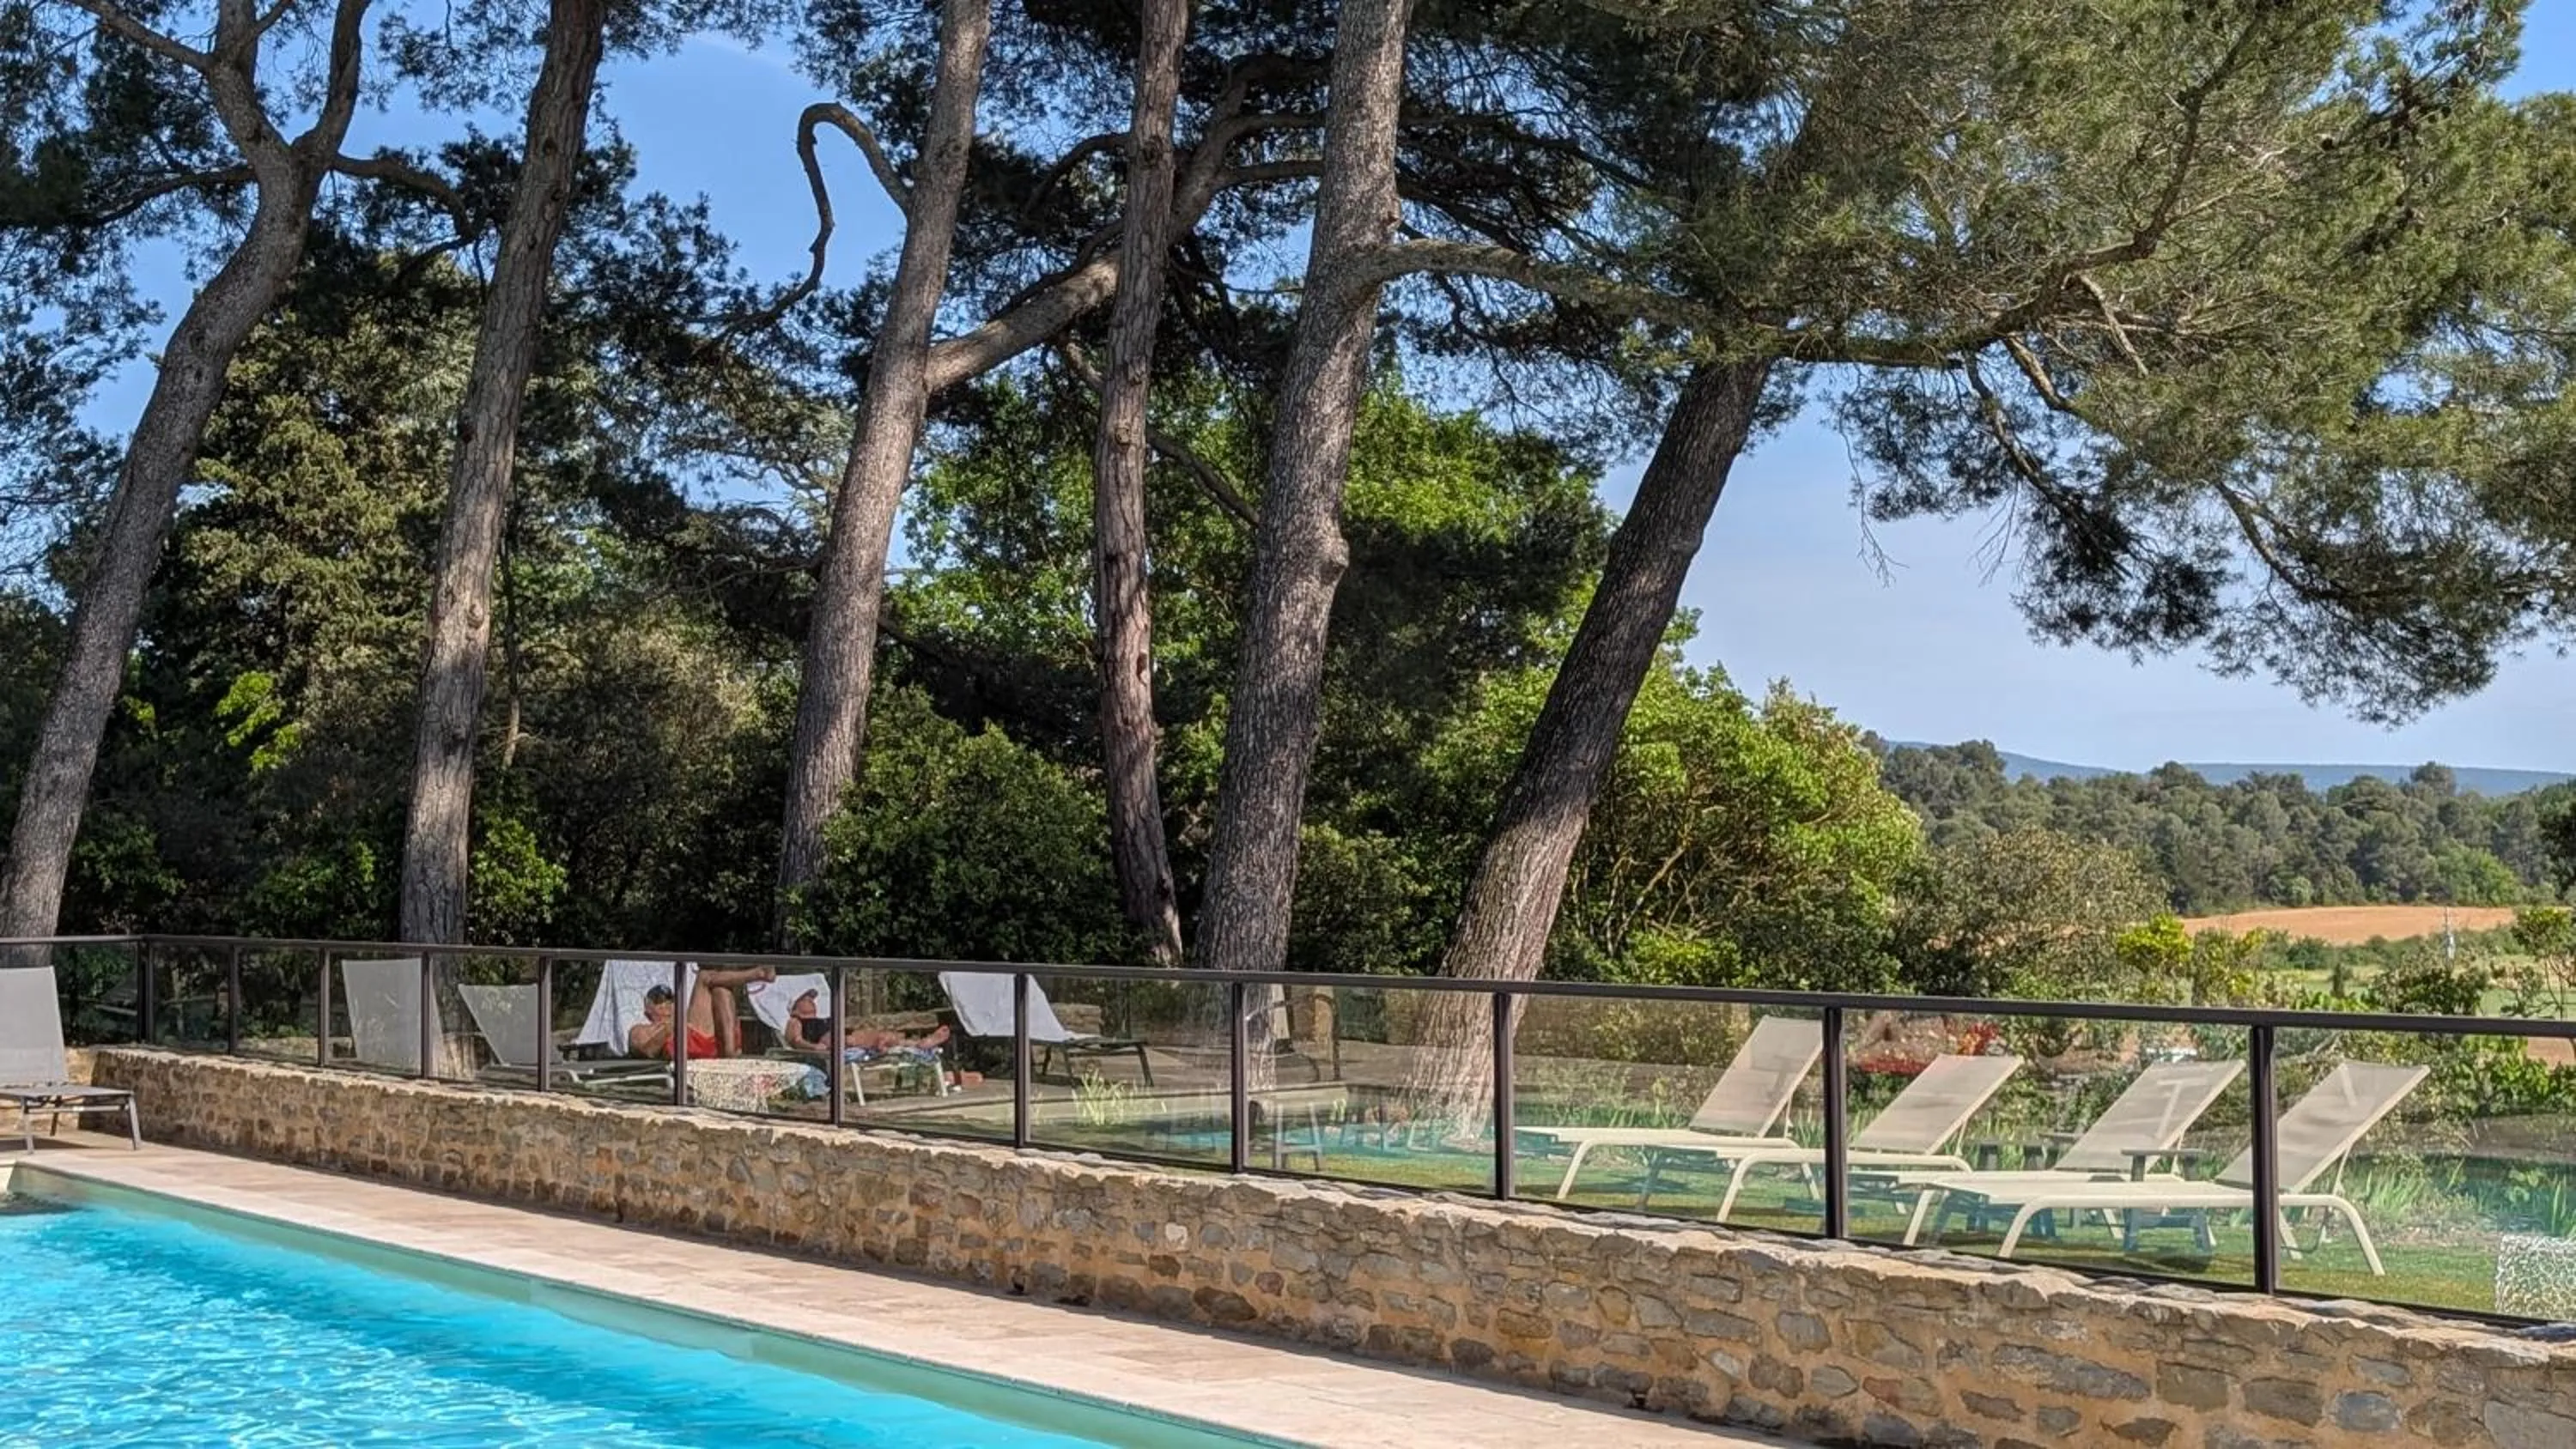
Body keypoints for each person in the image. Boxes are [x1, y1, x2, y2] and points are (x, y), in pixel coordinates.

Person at [629, 966, 775, 1060]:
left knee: (720, 990)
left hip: (713, 1041)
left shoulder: (683, 1017)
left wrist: (676, 1022)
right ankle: (758, 973)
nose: (666, 1006)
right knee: (704, 976)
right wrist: (668, 1028)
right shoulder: (640, 1029)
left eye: (669, 1001)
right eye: (659, 1002)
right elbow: (648, 1051)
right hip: (686, 1047)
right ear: (648, 1008)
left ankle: (730, 1055)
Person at [779, 989, 951, 1058]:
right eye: (806, 999)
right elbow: (796, 1041)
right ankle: (901, 1042)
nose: (811, 1001)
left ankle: (915, 1043)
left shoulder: (815, 1017)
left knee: (865, 1035)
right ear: (795, 1007)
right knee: (854, 1039)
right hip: (824, 1042)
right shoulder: (795, 1021)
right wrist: (813, 1048)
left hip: (836, 1037)